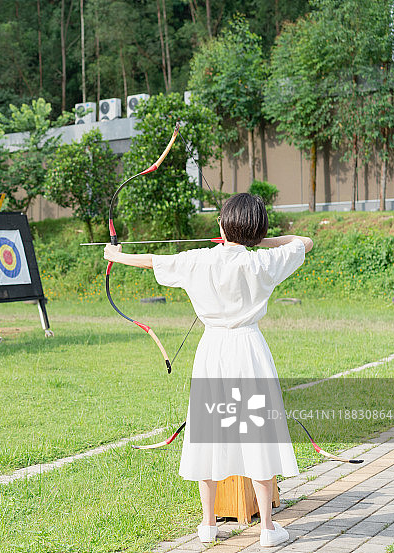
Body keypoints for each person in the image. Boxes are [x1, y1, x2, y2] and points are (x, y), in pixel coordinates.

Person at [104, 193, 313, 547]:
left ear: (221, 225)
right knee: (257, 433)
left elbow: (154, 261)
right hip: (249, 350)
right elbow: (304, 241)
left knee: (209, 431)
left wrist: (116, 255)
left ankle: (208, 525)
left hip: (213, 350)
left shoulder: (197, 261)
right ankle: (267, 529)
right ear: (257, 230)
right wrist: (258, 240)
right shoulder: (263, 262)